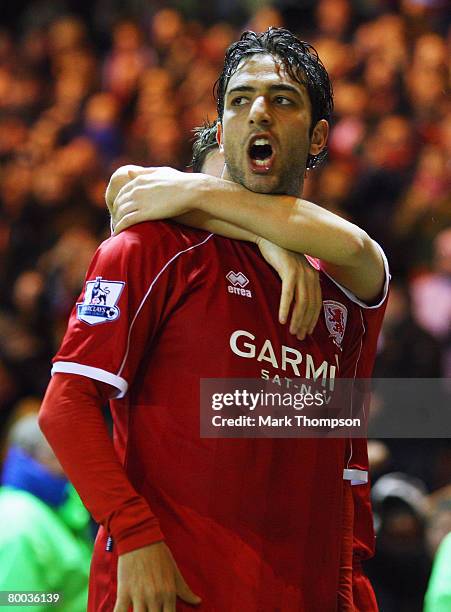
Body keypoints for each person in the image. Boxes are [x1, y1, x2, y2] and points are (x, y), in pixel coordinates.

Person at [40, 28, 388, 611]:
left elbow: (345, 473)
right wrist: (134, 533)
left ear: (318, 135)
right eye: (238, 100)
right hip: (172, 591)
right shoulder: (150, 251)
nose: (258, 112)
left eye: (282, 100)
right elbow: (65, 407)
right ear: (221, 131)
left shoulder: (341, 285)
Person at [109, 122, 383, 612]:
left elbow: (363, 252)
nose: (228, 206)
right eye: (209, 198)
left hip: (326, 572)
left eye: (237, 200)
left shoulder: (337, 281)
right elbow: (125, 185)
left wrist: (244, 222)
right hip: (196, 572)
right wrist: (268, 239)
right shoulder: (165, 258)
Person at [0, 411, 92, 611]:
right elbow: (13, 599)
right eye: (61, 455)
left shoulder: (55, 508)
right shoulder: (18, 518)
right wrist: (63, 599)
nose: (71, 466)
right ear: (35, 457)